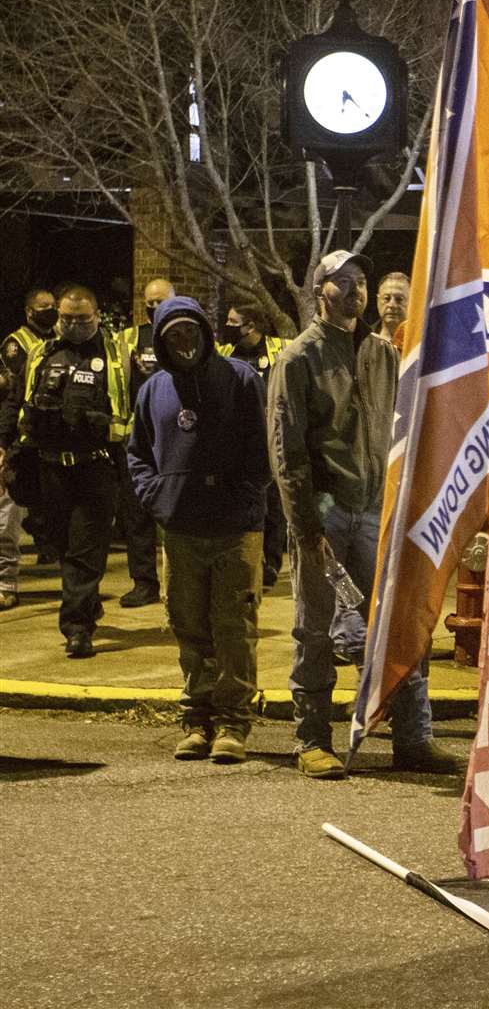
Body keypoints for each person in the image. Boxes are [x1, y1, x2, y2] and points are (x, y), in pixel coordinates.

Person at [267, 250, 460, 780]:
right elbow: (287, 451)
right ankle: (312, 740)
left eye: (360, 281)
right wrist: (305, 525)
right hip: (325, 517)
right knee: (316, 629)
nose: (354, 290)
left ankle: (412, 738)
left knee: (397, 623)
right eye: (343, 281)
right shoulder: (299, 359)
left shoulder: (383, 354)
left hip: (378, 511)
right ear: (320, 290)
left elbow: (405, 431)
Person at [129, 297, 270, 763]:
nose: (184, 342)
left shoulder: (241, 379)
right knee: (188, 627)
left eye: (191, 331)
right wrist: (157, 497)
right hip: (182, 530)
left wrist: (249, 497)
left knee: (233, 628)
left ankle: (233, 723)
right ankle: (198, 719)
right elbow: (138, 453)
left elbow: (264, 447)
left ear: (206, 334)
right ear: (162, 342)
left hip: (235, 530)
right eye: (174, 335)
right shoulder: (154, 390)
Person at [0, 284, 130, 657]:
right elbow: (16, 399)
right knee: (59, 542)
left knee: (85, 549)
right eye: (67, 318)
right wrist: (5, 442)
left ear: (96, 315)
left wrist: (103, 426)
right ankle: (86, 602)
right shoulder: (42, 352)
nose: (74, 325)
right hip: (50, 469)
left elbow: (135, 409)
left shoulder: (116, 355)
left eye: (82, 319)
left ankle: (77, 628)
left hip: (96, 468)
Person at [112, 277, 174, 609]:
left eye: (161, 301)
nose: (154, 308)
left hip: (178, 441)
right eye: (149, 303)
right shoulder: (128, 340)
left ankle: (182, 583)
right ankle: (144, 582)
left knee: (179, 513)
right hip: (139, 442)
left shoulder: (186, 334)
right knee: (136, 515)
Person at [219, 304, 291, 587]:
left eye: (232, 321)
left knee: (272, 505)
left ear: (250, 326)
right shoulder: (226, 353)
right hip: (236, 443)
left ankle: (271, 563)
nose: (227, 325)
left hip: (271, 439)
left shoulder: (278, 350)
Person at [3, 288, 62, 572]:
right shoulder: (17, 342)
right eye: (43, 307)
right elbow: (19, 385)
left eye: (53, 305)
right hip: (23, 427)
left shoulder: (59, 338)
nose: (50, 310)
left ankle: (47, 539)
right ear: (29, 311)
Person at [373, 272, 409, 342]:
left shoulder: (420, 343)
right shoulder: (362, 338)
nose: (392, 305)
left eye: (399, 299)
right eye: (386, 298)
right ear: (378, 300)